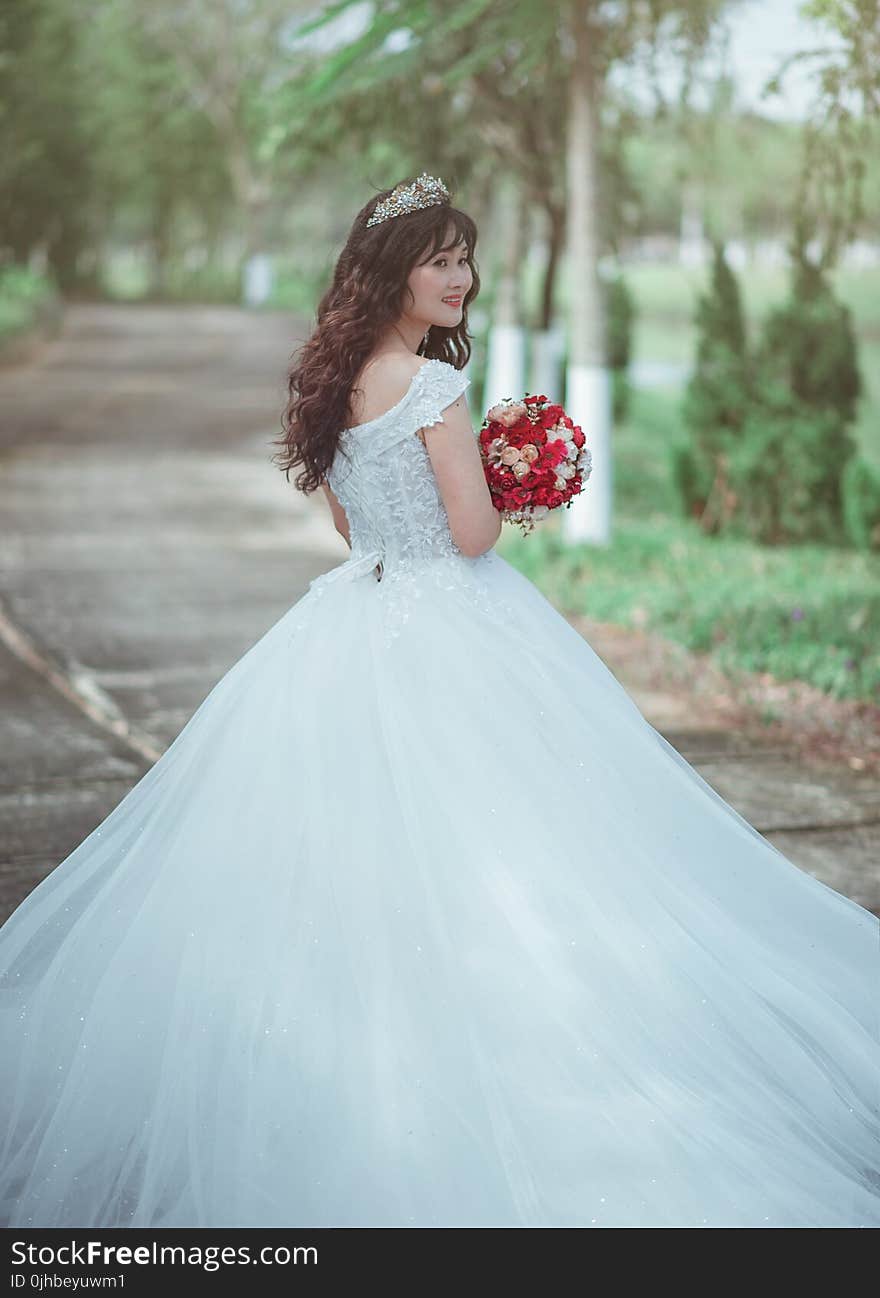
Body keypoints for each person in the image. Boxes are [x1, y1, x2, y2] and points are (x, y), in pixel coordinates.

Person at [0, 173, 878, 1230]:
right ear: (393, 273)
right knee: (529, 843)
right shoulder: (426, 384)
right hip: (454, 623)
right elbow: (468, 537)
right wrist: (512, 486)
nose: (461, 277)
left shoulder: (329, 380)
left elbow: (346, 529)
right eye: (441, 259)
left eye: (465, 258)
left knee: (343, 862)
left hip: (349, 618)